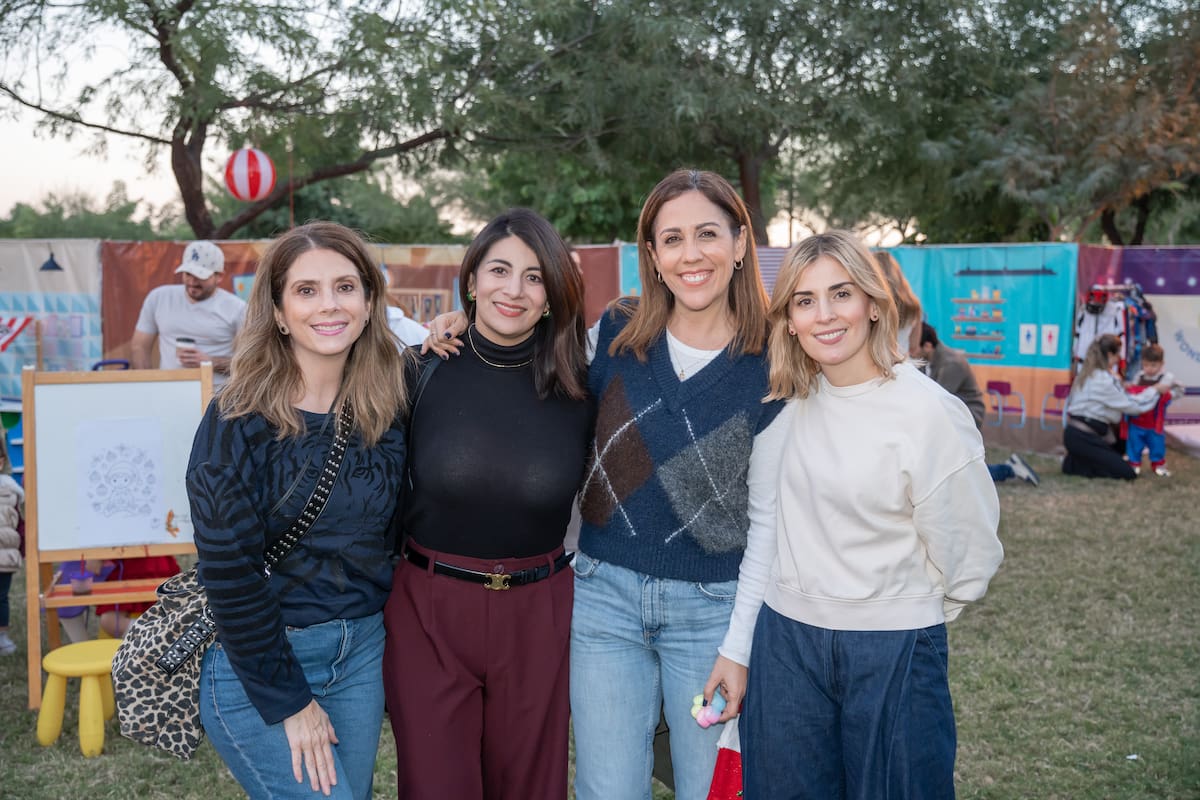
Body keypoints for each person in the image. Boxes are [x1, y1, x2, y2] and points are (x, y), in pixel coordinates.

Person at [423, 170, 786, 799]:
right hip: (602, 604)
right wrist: (464, 318)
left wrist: (741, 645)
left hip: (711, 618)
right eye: (671, 238)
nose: (690, 253)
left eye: (707, 234)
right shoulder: (617, 335)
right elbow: (527, 344)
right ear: (652, 255)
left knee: (711, 789)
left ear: (738, 244)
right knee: (606, 790)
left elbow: (773, 523)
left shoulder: (774, 362)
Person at [727, 229, 1003, 797]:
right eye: (805, 300)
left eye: (842, 294)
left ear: (874, 306)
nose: (825, 315)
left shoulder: (928, 414)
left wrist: (902, 607)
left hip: (894, 647)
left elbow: (970, 554)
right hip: (786, 646)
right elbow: (766, 534)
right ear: (790, 320)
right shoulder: (783, 410)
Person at [189, 222, 409, 799]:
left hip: (361, 652)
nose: (329, 305)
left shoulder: (390, 405)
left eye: (345, 286)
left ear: (368, 301)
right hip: (260, 662)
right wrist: (291, 701)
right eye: (306, 290)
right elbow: (228, 571)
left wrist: (457, 322)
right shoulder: (236, 419)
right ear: (280, 312)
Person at [382, 208, 590, 800]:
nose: (514, 290)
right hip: (429, 612)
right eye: (499, 270)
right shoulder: (421, 370)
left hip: (539, 612)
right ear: (471, 281)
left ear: (551, 292)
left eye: (533, 276)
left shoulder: (581, 380)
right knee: (437, 787)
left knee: (531, 786)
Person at [914, 322, 1040, 486]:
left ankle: (1010, 469)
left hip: (967, 415)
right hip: (952, 416)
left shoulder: (950, 364)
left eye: (913, 346)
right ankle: (1010, 468)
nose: (909, 350)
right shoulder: (929, 360)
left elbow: (935, 403)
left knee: (964, 475)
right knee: (959, 472)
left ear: (928, 346)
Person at [131, 240, 247, 388]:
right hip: (168, 393)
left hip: (219, 399)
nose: (192, 281)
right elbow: (139, 346)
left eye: (200, 276)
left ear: (219, 276)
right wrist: (147, 386)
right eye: (188, 274)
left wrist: (209, 362)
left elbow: (253, 363)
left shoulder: (238, 308)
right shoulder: (159, 298)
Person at [1063, 333, 1166, 480]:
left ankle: (1080, 460)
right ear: (1110, 354)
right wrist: (1155, 390)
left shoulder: (1090, 374)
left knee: (1124, 443)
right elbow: (1132, 406)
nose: (1119, 358)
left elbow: (1121, 398)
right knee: (1127, 473)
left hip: (1079, 434)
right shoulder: (1102, 380)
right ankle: (1077, 464)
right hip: (1084, 436)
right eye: (1118, 354)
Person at [1125, 343, 1184, 477]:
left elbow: (1180, 389)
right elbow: (1132, 393)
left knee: (1157, 445)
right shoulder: (1139, 377)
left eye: (1153, 365)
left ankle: (1158, 465)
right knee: (1134, 443)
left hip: (1155, 422)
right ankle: (1134, 464)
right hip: (1137, 420)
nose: (1149, 369)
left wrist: (1169, 395)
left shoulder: (1166, 378)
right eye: (1146, 365)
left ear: (1161, 364)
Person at [0, 434, 23, 656]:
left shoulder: (10, 490)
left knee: (1, 596)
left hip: (4, 556)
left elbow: (21, 525)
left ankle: (2, 636)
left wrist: (22, 549)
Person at [874, 250, 922, 354]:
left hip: (877, 364)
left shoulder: (873, 305)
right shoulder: (914, 305)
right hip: (903, 363)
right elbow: (914, 346)